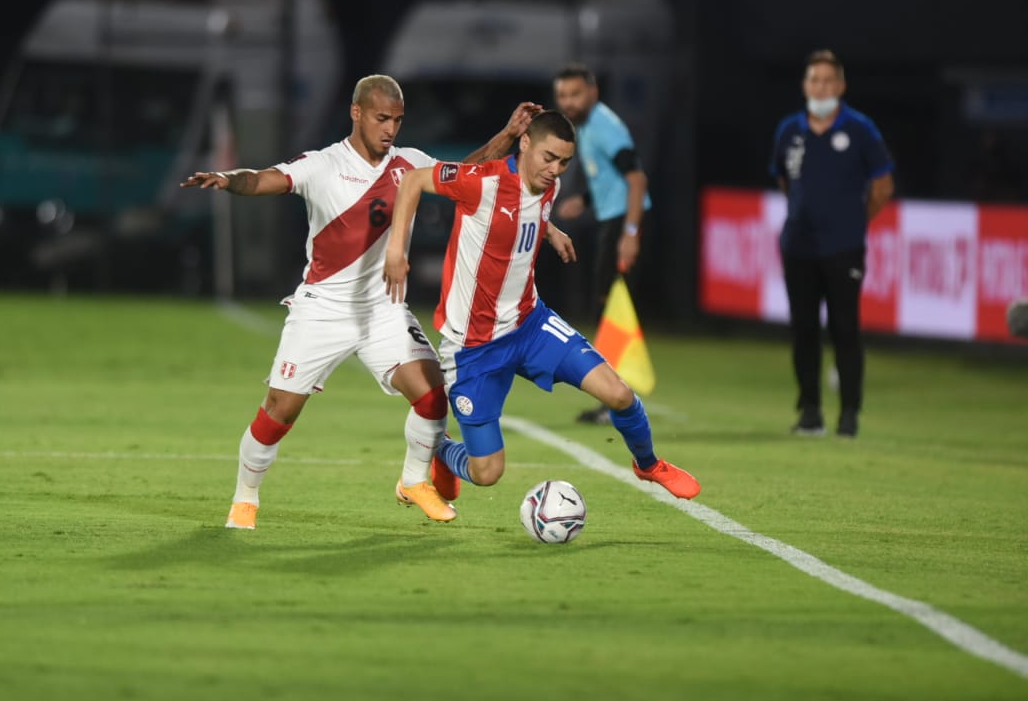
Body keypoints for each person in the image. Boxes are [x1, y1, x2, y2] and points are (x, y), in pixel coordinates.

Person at [181, 74, 541, 529]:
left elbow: (464, 176)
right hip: (322, 309)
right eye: (382, 118)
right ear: (357, 113)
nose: (390, 129)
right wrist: (228, 179)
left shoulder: (407, 162)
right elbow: (264, 179)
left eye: (397, 120)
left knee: (432, 395)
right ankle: (245, 496)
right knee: (279, 410)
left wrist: (508, 136)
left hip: (382, 309)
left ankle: (413, 481)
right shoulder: (323, 164)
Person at [383, 110, 699, 502]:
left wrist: (550, 231)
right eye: (549, 157)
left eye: (564, 161)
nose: (555, 169)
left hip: (530, 324)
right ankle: (444, 451)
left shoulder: (549, 184)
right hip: (474, 347)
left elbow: (525, 211)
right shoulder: (483, 182)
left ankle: (648, 464)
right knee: (487, 472)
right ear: (526, 143)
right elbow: (413, 180)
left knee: (618, 393)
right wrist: (397, 251)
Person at [770, 49, 894, 438]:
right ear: (805, 85)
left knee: (845, 328)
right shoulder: (790, 130)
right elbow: (784, 180)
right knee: (804, 330)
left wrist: (853, 221)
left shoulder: (860, 129)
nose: (820, 87)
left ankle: (849, 415)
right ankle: (810, 412)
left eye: (828, 80)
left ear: (840, 86)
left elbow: (883, 185)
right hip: (798, 246)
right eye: (814, 80)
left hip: (843, 248)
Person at [551, 64, 652, 424]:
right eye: (563, 95)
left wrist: (630, 233)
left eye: (575, 94)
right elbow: (612, 179)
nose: (569, 102)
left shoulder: (606, 125)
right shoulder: (587, 126)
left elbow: (637, 179)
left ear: (593, 92)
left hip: (623, 224)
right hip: (612, 220)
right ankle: (613, 399)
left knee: (614, 313)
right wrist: (587, 201)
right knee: (605, 311)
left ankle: (619, 401)